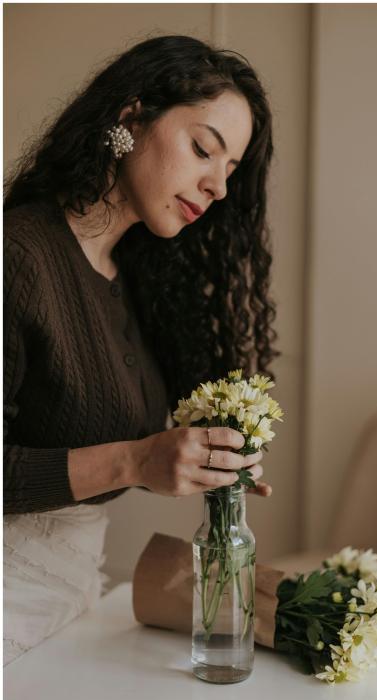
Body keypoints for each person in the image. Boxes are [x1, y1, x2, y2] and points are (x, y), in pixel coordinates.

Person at [3, 34, 280, 664]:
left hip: (70, 605)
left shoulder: (134, 279)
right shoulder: (17, 257)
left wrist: (196, 460)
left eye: (230, 172)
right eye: (203, 149)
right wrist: (133, 461)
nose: (217, 188)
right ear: (129, 118)